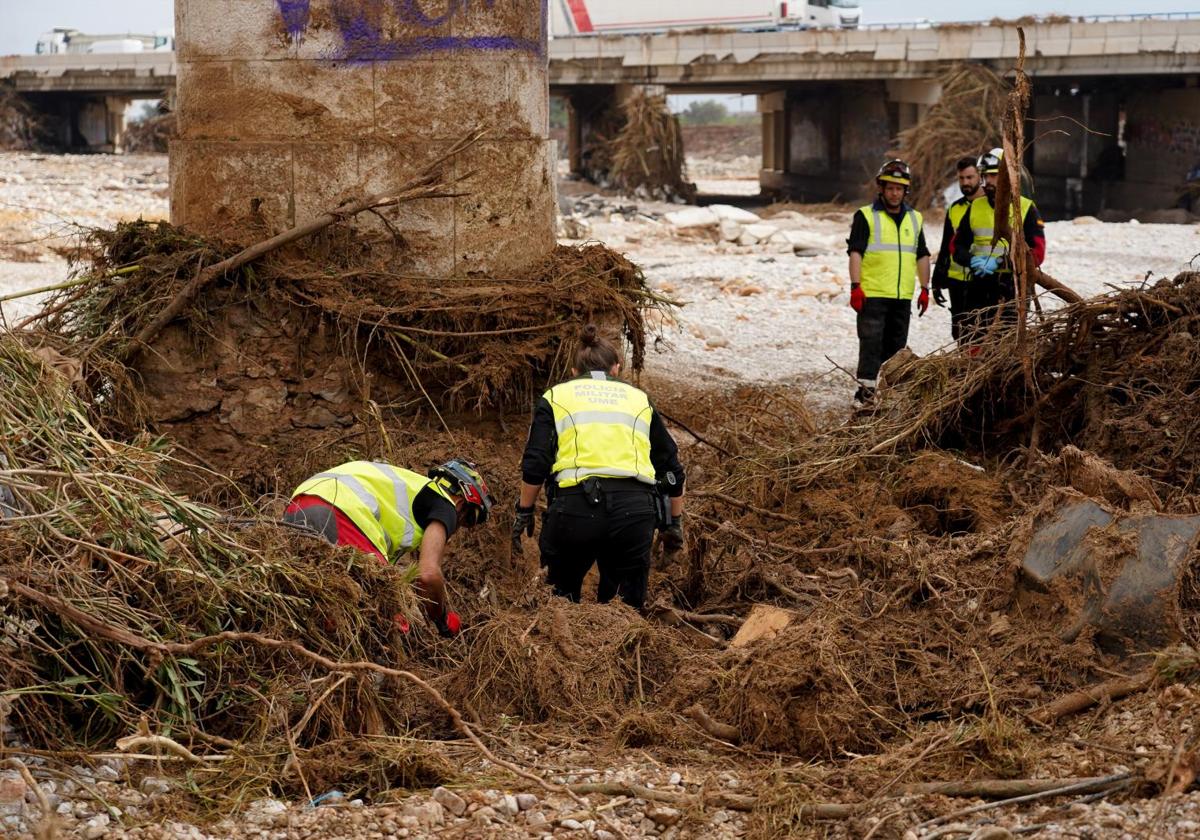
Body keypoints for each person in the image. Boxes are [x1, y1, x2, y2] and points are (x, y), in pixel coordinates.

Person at [512, 325, 686, 611]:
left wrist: (524, 511)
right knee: (625, 612)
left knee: (560, 605)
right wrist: (674, 525)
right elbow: (671, 468)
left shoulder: (556, 397)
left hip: (574, 510)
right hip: (634, 513)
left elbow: (535, 464)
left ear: (573, 371)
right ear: (616, 369)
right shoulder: (639, 399)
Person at [284, 459, 493, 636]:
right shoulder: (445, 504)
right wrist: (442, 619)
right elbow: (429, 574)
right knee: (383, 612)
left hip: (299, 504)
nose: (459, 528)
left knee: (323, 603)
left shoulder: (408, 487)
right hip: (344, 513)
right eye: (467, 522)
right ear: (462, 503)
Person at [846, 159, 932, 405]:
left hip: (902, 296)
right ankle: (865, 396)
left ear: (906, 191)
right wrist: (855, 286)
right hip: (871, 293)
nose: (894, 193)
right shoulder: (865, 216)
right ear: (881, 188)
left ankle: (888, 397)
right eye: (890, 187)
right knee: (871, 346)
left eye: (899, 188)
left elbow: (922, 254)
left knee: (896, 349)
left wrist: (925, 289)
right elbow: (856, 253)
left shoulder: (915, 219)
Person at [952, 148, 1046, 339]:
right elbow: (956, 246)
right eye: (985, 176)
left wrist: (1001, 263)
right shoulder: (975, 207)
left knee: (1006, 345)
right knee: (974, 342)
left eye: (994, 175)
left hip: (1013, 289)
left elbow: (1037, 253)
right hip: (979, 286)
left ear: (1009, 176)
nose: (989, 182)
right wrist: (972, 260)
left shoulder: (1026, 208)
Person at [931, 156, 984, 344]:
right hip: (956, 281)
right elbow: (946, 246)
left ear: (980, 176)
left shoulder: (989, 206)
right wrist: (936, 279)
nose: (965, 182)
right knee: (959, 331)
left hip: (982, 279)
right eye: (961, 178)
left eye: (970, 177)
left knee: (980, 331)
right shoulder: (955, 208)